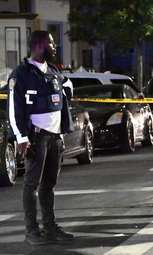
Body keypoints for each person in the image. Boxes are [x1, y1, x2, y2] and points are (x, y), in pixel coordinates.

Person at [7, 30, 75, 245]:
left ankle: (50, 227)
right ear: (38, 45)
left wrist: (61, 133)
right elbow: (13, 109)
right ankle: (31, 231)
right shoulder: (21, 73)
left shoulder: (53, 71)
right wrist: (21, 137)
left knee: (49, 184)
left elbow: (63, 100)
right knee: (31, 185)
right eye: (51, 43)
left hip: (54, 137)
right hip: (35, 138)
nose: (55, 46)